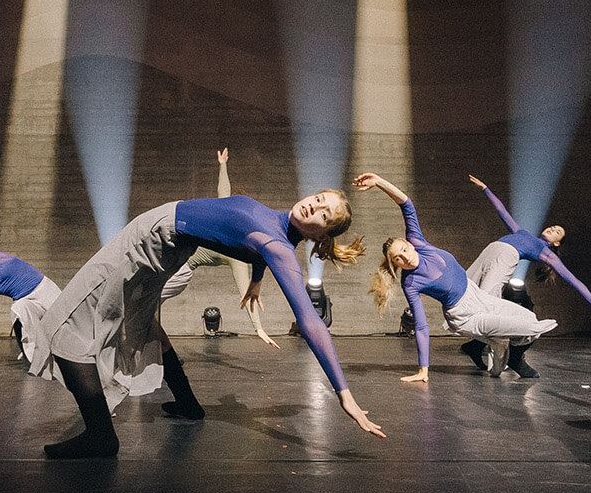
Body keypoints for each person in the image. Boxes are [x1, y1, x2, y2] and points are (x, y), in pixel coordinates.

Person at [30, 188, 380, 458]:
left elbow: (311, 321)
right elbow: (264, 242)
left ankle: (100, 435)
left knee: (69, 322)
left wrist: (344, 394)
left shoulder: (277, 246)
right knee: (144, 321)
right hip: (169, 246)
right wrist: (257, 280)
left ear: (322, 236)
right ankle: (186, 403)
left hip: (153, 238)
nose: (313, 207)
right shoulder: (278, 229)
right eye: (318, 199)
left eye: (323, 215)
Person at [354, 171, 558, 380]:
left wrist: (378, 182)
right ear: (395, 264)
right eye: (398, 259)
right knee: (529, 326)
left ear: (410, 245)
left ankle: (498, 346)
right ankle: (498, 342)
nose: (405, 258)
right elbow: (422, 326)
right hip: (463, 316)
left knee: (529, 318)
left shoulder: (419, 242)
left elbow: (406, 204)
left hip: (478, 296)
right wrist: (423, 370)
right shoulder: (411, 282)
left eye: (404, 250)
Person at [461, 176, 591, 377]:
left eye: (557, 232)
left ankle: (503, 351)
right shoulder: (522, 233)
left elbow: (573, 280)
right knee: (468, 288)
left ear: (556, 243)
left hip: (505, 258)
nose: (552, 228)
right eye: (553, 226)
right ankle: (475, 346)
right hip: (490, 252)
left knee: (488, 301)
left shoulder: (547, 253)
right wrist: (486, 189)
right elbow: (503, 213)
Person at [160, 148, 279, 350]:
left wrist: (258, 328)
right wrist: (223, 165)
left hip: (181, 271)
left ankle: (159, 352)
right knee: (145, 301)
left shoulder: (238, 253)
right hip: (173, 260)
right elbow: (224, 192)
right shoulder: (226, 219)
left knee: (147, 301)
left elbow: (245, 290)